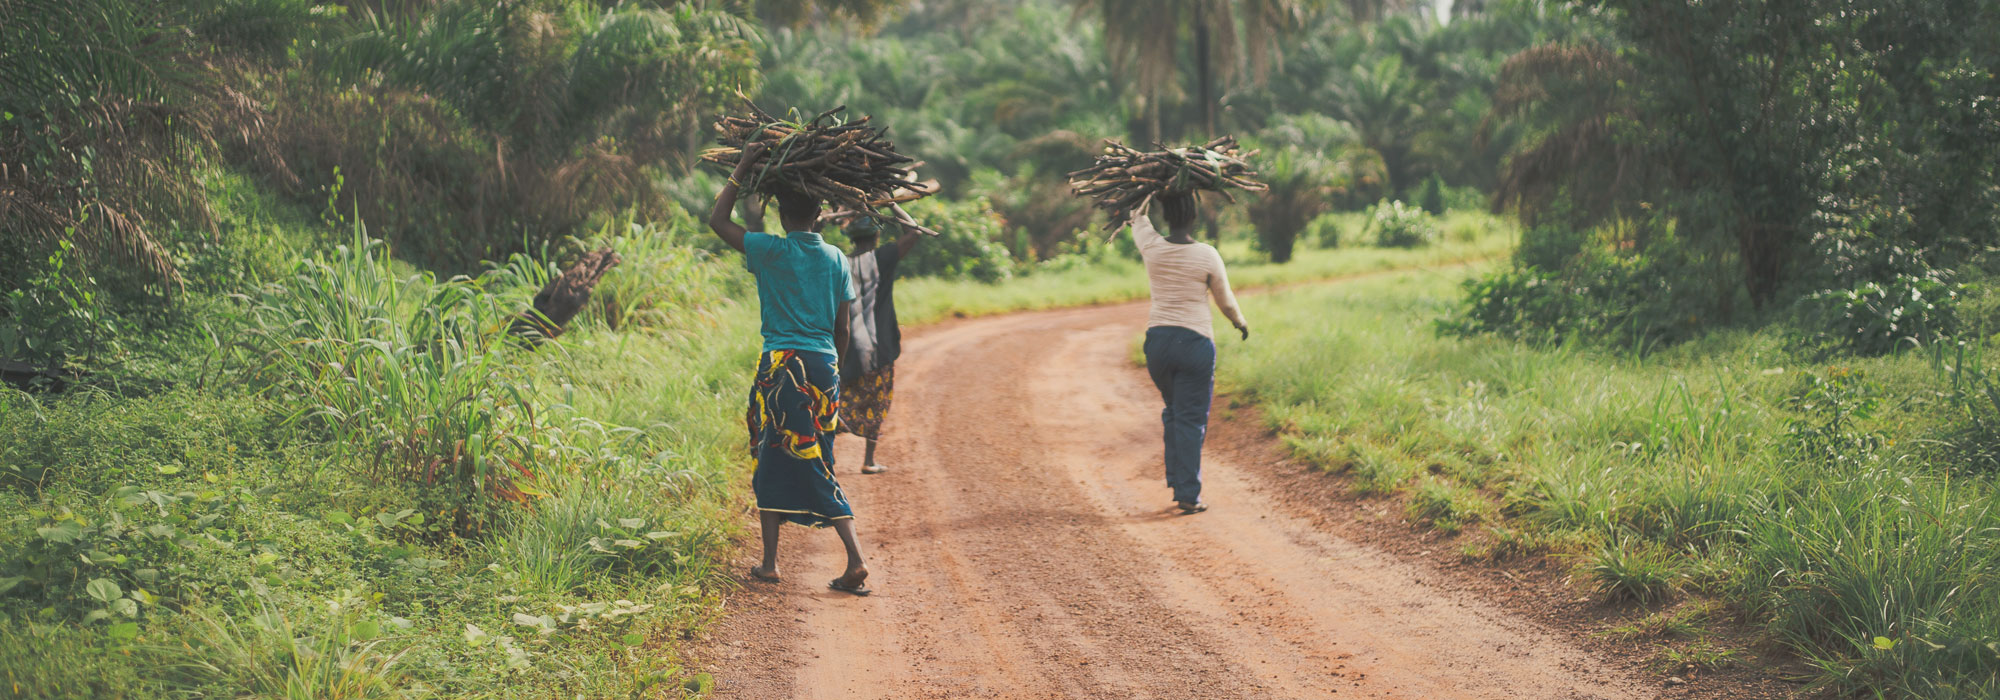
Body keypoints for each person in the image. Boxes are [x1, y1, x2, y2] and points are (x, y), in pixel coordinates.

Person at [709, 143, 871, 596]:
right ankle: (769, 563)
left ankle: (854, 559)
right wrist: (831, 370)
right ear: (819, 213)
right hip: (823, 368)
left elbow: (717, 221)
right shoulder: (837, 258)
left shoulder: (770, 251)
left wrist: (741, 169)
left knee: (784, 457)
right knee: (804, 454)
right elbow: (842, 328)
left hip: (782, 368)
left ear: (782, 215)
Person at [1129, 192, 1249, 514]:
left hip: (1158, 345)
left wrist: (1150, 191)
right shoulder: (1207, 255)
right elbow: (1225, 301)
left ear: (1166, 217)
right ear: (1193, 217)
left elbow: (1136, 217)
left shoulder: (1152, 247)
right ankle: (1187, 493)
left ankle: (1176, 481)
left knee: (1174, 411)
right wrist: (1239, 322)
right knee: (1190, 419)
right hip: (1194, 345)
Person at [833, 215, 923, 474]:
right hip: (878, 345)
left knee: (839, 399)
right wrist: (893, 206)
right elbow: (914, 233)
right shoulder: (882, 258)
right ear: (876, 236)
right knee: (878, 399)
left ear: (851, 238)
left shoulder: (840, 262)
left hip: (846, 345)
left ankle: (828, 456)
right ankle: (868, 460)